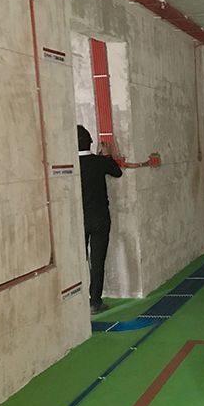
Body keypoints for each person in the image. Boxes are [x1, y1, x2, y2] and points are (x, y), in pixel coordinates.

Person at [77, 125, 122, 314]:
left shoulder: (72, 165)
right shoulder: (99, 162)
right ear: (91, 142)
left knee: (79, 261)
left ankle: (77, 302)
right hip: (100, 218)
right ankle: (95, 301)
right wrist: (108, 155)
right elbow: (117, 172)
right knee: (97, 261)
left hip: (78, 220)